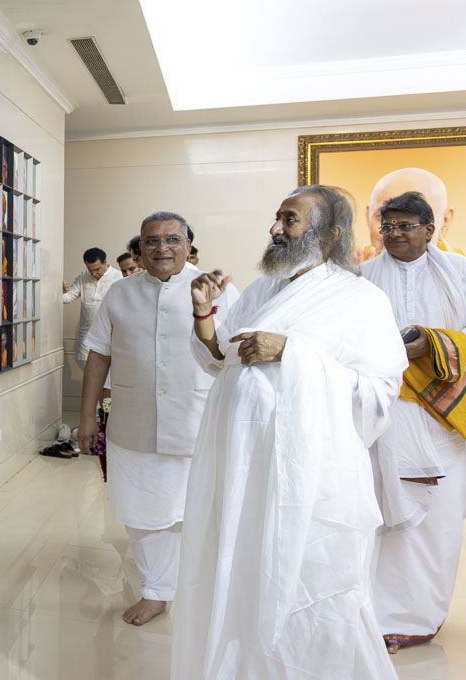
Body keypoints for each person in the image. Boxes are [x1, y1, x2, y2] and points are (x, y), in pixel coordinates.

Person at [174, 186, 406, 679]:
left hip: (310, 477)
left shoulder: (361, 299)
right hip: (239, 465)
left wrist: (292, 351)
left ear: (330, 234)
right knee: (238, 575)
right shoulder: (261, 290)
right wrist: (203, 315)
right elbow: (224, 362)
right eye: (277, 218)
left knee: (307, 587)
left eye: (291, 219)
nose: (276, 228)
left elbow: (380, 393)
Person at [79, 213, 237, 626]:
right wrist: (86, 418)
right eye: (151, 241)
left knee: (201, 508)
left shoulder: (218, 290)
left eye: (172, 239)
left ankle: (204, 586)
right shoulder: (120, 293)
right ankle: (157, 591)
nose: (161, 248)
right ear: (139, 248)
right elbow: (98, 353)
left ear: (189, 245)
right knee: (141, 511)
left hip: (199, 421)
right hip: (133, 422)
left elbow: (236, 355)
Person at [360, 191, 466, 653]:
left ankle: (418, 616)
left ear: (431, 229)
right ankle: (377, 615)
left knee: (435, 522)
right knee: (379, 516)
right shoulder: (361, 280)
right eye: (387, 227)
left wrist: (435, 344)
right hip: (378, 420)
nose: (395, 234)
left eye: (405, 226)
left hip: (442, 419)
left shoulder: (461, 275)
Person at [361, 167, 463, 261]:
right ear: (368, 218)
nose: (396, 233)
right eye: (383, 217)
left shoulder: (461, 271)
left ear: (445, 221)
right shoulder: (353, 269)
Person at [61, 247, 120, 370]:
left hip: (111, 337)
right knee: (90, 378)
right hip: (87, 337)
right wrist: (58, 290)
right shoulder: (83, 277)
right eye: (90, 270)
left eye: (97, 270)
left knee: (110, 379)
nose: (93, 274)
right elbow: (67, 298)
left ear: (105, 262)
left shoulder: (118, 277)